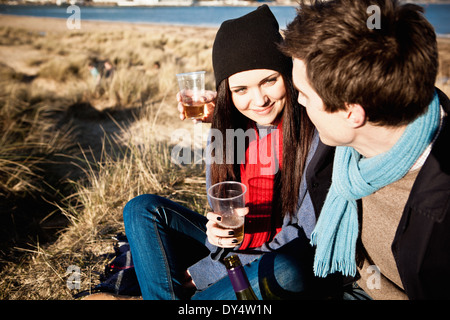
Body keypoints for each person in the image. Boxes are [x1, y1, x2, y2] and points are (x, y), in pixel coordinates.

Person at [123, 5, 341, 300]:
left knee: (288, 270)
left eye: (269, 81)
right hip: (233, 249)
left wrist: (204, 273)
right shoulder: (227, 132)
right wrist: (214, 235)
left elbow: (303, 238)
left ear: (287, 75)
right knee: (142, 209)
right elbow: (220, 211)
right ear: (228, 92)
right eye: (241, 90)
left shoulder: (315, 131)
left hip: (281, 255)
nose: (259, 99)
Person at [281, 0, 450, 299]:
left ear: (351, 113)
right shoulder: (354, 137)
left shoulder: (441, 211)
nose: (299, 103)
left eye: (304, 94)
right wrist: (226, 111)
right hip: (343, 283)